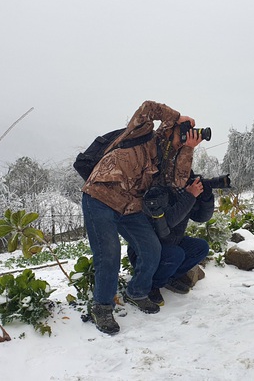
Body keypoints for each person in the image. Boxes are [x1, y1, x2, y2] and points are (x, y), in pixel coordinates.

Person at [81, 101, 198, 335]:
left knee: (151, 248)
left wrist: (188, 149)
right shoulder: (142, 132)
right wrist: (177, 118)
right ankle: (102, 307)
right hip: (100, 196)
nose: (182, 138)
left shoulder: (167, 159)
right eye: (181, 134)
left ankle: (137, 291)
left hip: (130, 206)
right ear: (169, 128)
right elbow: (147, 107)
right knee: (109, 253)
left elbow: (177, 182)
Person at [128, 172, 213, 306]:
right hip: (146, 251)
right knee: (175, 254)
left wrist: (207, 198)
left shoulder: (183, 191)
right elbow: (169, 222)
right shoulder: (157, 190)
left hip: (171, 241)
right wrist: (190, 196)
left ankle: (168, 278)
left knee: (201, 247)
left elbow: (202, 217)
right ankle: (152, 284)